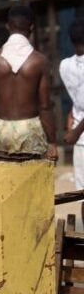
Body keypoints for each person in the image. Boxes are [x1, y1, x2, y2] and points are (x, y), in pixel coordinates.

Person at [0, 6, 58, 160]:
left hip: (2, 127)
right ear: (31, 27)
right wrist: (52, 141)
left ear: (8, 26)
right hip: (30, 127)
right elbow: (45, 105)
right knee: (33, 178)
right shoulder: (39, 61)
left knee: (6, 179)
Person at [61, 19, 84, 187]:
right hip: (78, 133)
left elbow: (78, 97)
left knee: (82, 191)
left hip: (80, 139)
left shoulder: (65, 65)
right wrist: (75, 132)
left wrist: (72, 118)